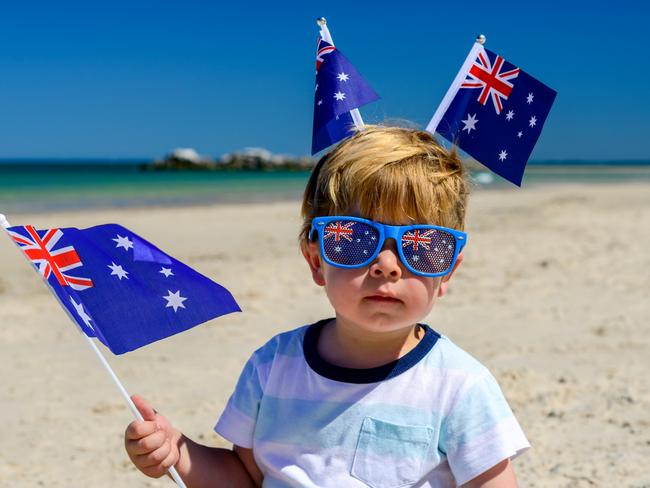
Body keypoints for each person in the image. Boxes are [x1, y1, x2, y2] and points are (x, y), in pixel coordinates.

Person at [124, 126, 530, 487]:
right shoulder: (273, 366)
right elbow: (245, 475)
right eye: (352, 239)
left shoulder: (459, 385)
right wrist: (178, 453)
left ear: (448, 272)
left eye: (423, 247)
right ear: (317, 261)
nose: (387, 265)